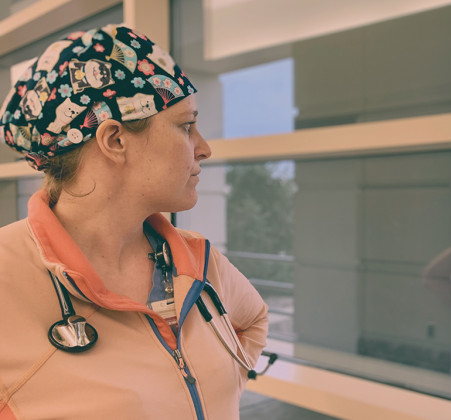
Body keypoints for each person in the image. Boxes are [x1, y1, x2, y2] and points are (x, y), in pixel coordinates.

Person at [0, 24, 269, 420]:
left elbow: (253, 321)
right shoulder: (7, 281)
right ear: (114, 140)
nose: (204, 149)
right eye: (186, 126)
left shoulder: (198, 260)